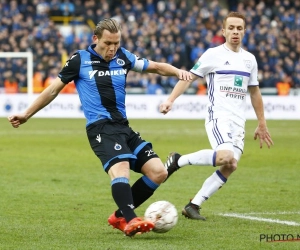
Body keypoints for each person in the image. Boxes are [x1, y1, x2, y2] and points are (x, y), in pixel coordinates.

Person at [8, 18, 192, 236]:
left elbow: (156, 67)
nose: (112, 48)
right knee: (121, 167)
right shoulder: (79, 59)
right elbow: (52, 90)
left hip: (124, 127)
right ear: (95, 39)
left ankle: (120, 216)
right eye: (108, 43)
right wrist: (27, 114)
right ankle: (131, 219)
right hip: (100, 128)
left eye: (116, 43)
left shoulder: (123, 56)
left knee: (158, 172)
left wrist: (178, 72)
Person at [159, 12, 273, 220]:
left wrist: (262, 123)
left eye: (239, 28)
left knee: (230, 165)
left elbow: (254, 91)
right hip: (218, 116)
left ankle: (193, 205)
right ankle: (179, 160)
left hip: (239, 122)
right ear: (223, 31)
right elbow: (188, 78)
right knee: (225, 157)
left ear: (245, 31)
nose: (235, 32)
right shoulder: (213, 55)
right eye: (231, 28)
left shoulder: (250, 60)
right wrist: (170, 100)